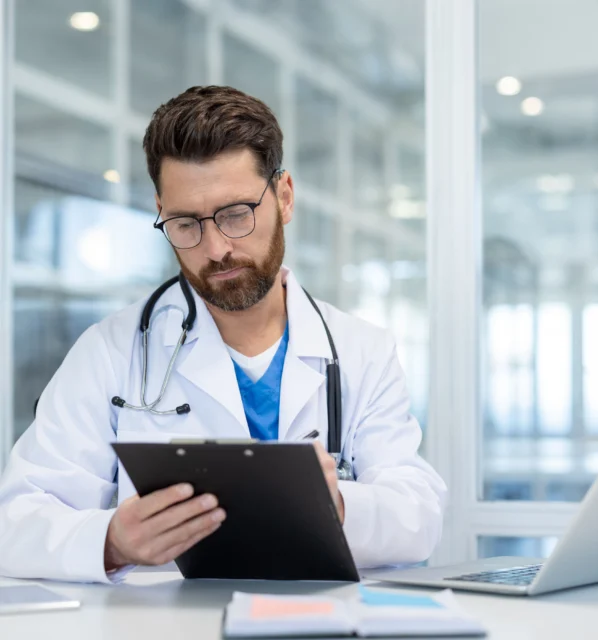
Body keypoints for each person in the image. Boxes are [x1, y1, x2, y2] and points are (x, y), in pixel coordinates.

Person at [0, 86, 446, 583]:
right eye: (186, 223)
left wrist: (338, 503)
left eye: (236, 214)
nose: (216, 249)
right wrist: (112, 541)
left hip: (323, 623)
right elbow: (15, 521)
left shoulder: (362, 350)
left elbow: (418, 516)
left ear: (284, 197)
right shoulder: (110, 350)